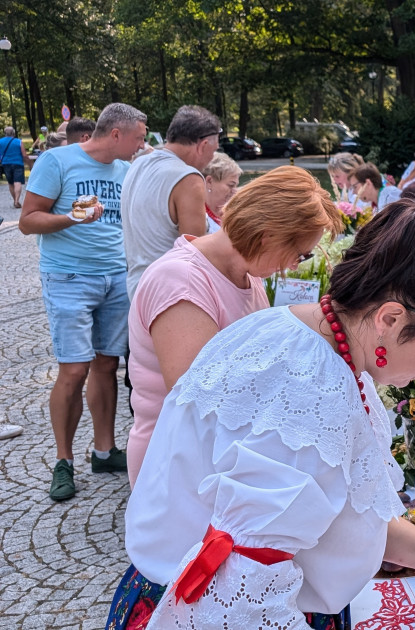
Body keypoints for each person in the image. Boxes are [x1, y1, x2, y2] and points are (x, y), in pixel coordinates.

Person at [108, 200, 415, 627]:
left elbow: (338, 510)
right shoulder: (310, 388)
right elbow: (242, 591)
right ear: (390, 318)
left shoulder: (305, 336)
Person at [126, 166, 340, 486]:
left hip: (214, 460)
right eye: (298, 252)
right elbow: (199, 399)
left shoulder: (245, 274)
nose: (296, 265)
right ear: (268, 234)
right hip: (176, 467)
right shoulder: (181, 281)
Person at [18, 102, 149, 502]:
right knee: (74, 370)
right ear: (116, 134)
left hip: (116, 279)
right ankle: (63, 461)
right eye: (139, 138)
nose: (141, 145)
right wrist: (72, 218)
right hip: (69, 277)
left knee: (107, 364)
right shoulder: (57, 161)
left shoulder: (127, 171)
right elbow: (27, 221)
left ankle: (103, 451)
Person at [122, 105, 221, 298]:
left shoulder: (139, 163)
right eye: (214, 150)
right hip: (171, 290)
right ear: (202, 146)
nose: (212, 159)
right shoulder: (188, 177)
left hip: (137, 284)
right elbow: (195, 251)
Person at [203, 152, 241, 234]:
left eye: (236, 186)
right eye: (231, 185)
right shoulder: (198, 216)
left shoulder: (228, 212)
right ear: (209, 182)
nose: (235, 191)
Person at [1, 126, 32, 208]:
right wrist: (30, 164)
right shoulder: (19, 142)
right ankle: (17, 201)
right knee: (17, 181)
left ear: (5, 133)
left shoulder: (0, 142)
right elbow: (24, 155)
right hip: (18, 163)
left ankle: (15, 200)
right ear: (13, 133)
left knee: (10, 183)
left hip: (6, 164)